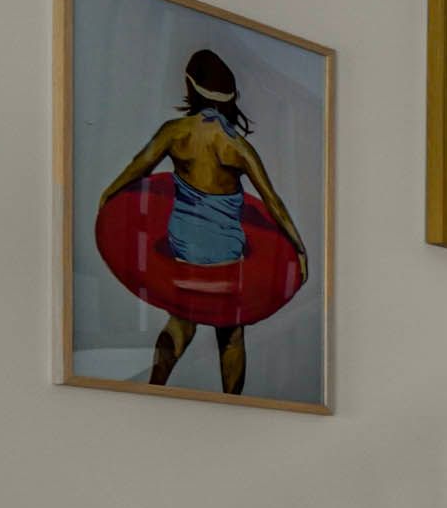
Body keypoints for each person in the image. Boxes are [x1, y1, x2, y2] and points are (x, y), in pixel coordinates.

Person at [95, 49, 306, 394]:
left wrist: (108, 195)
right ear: (231, 97)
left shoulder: (174, 132)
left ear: (190, 88)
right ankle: (233, 404)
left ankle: (155, 386)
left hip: (182, 245)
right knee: (232, 331)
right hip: (226, 253)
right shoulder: (236, 146)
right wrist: (299, 249)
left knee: (182, 319)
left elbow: (138, 168)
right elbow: (273, 203)